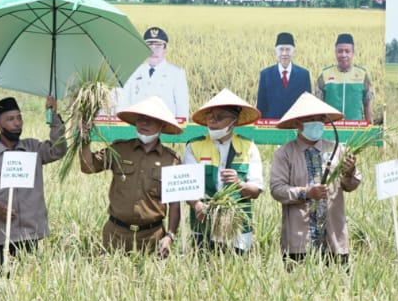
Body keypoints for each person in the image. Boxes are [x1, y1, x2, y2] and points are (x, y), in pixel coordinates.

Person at [0, 95, 66, 274]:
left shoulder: (33, 149)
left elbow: (58, 149)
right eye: (10, 119)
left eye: (19, 118)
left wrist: (54, 116)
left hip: (28, 235)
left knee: (26, 291)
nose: (17, 123)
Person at [79, 96, 183, 255]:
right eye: (140, 119)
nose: (144, 123)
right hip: (116, 235)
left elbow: (175, 205)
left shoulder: (171, 160)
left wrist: (170, 236)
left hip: (152, 238)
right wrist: (84, 139)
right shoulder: (120, 149)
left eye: (150, 120)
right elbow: (88, 167)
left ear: (161, 125)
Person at [268, 92, 361, 266]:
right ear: (298, 123)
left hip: (334, 238)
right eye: (311, 118)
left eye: (320, 118)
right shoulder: (284, 153)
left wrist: (350, 172)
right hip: (299, 241)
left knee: (338, 287)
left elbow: (352, 184)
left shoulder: (337, 150)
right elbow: (277, 189)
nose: (317, 122)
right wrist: (306, 192)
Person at [181, 89, 264, 253]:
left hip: (237, 225)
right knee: (203, 269)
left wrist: (239, 184)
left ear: (233, 121)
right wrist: (197, 205)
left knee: (236, 271)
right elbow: (186, 185)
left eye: (219, 117)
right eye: (210, 116)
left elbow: (255, 190)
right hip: (203, 221)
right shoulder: (194, 146)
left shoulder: (248, 147)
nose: (212, 121)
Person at [116, 27, 190, 119]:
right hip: (137, 125)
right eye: (149, 46)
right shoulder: (134, 72)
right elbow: (124, 103)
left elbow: (182, 108)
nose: (153, 50)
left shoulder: (176, 73)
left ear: (165, 49)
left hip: (165, 127)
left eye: (158, 46)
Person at [315, 32, 374, 123]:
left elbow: (367, 106)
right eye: (340, 51)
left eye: (347, 51)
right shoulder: (325, 75)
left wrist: (370, 130)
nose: (343, 55)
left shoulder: (362, 75)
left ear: (353, 53)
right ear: (335, 52)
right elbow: (318, 107)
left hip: (356, 129)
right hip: (331, 128)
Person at [256, 31, 312, 120]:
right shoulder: (265, 75)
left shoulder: (303, 74)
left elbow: (307, 106)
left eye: (288, 49)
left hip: (295, 125)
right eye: (281, 49)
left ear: (294, 52)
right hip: (272, 127)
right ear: (275, 52)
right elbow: (261, 106)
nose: (284, 53)